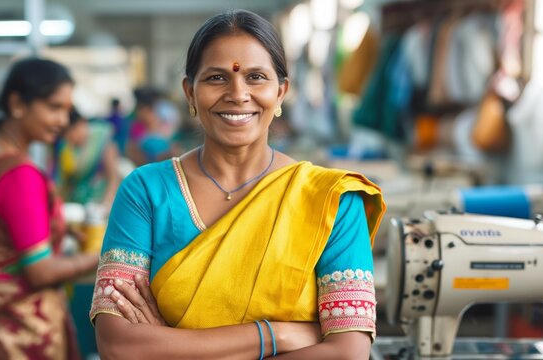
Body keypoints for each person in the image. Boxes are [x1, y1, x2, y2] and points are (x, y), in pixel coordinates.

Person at [90, 9, 385, 359]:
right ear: (190, 92)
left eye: (256, 77)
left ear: (281, 92)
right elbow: (118, 346)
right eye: (216, 78)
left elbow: (347, 354)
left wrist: (169, 345)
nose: (238, 93)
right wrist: (275, 336)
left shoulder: (332, 200)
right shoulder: (145, 191)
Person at [0, 57, 99, 360]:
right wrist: (99, 258)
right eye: (54, 107)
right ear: (18, 104)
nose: (63, 120)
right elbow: (40, 271)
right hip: (10, 334)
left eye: (66, 109)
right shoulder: (18, 175)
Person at [53, 107, 121, 212]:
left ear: (81, 124)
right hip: (76, 205)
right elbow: (63, 180)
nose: (70, 140)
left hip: (98, 203)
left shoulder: (102, 138)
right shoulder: (68, 147)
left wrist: (105, 206)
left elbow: (113, 177)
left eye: (71, 134)